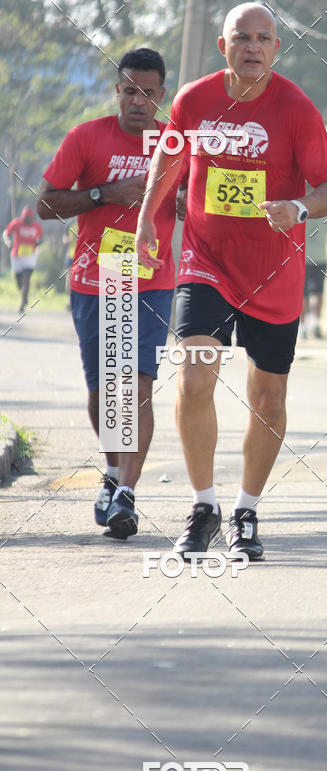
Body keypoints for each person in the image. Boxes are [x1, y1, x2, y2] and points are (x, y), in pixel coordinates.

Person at [136, 2, 327, 560]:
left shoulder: (296, 108)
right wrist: (143, 225)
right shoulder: (194, 100)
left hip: (274, 270)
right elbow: (168, 162)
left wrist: (299, 207)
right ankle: (203, 507)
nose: (253, 47)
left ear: (276, 48)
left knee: (269, 399)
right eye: (242, 37)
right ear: (222, 44)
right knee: (195, 377)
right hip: (206, 260)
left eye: (264, 38)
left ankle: (246, 510)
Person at [36, 48, 183, 539]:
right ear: (116, 90)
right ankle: (114, 470)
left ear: (161, 96)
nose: (137, 101)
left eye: (148, 93)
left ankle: (126, 493)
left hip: (150, 280)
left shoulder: (176, 144)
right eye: (128, 90)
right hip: (95, 279)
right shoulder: (86, 137)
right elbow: (45, 205)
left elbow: (200, 203)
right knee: (105, 392)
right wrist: (104, 193)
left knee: (137, 387)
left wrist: (182, 203)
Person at [302, 211, 327, 339]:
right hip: (320, 257)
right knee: (318, 292)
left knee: (304, 294)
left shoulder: (302, 209)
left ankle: (303, 326)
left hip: (304, 257)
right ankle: (315, 323)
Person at [3, 207, 43, 313]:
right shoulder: (16, 223)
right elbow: (6, 233)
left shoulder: (36, 226)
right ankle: (24, 295)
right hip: (17, 255)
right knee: (19, 280)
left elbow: (40, 238)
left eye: (29, 218)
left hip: (30, 256)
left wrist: (38, 243)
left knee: (27, 279)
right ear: (22, 217)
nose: (27, 220)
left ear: (32, 217)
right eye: (25, 218)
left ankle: (22, 302)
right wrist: (8, 242)